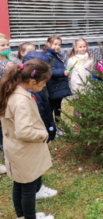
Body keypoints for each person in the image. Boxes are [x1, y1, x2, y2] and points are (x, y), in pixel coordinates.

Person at [0, 59, 55, 219]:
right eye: (43, 83)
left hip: (15, 149)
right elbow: (24, 131)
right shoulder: (21, 100)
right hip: (24, 151)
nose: (44, 86)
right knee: (29, 188)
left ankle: (21, 216)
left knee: (20, 184)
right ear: (32, 81)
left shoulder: (11, 90)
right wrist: (42, 134)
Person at [23, 51, 58, 200]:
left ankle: (37, 187)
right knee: (35, 164)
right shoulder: (31, 94)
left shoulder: (36, 89)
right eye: (43, 81)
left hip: (40, 133)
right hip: (37, 135)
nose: (45, 84)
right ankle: (37, 190)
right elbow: (40, 115)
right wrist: (47, 132)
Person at [0, 33, 21, 175]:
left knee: (8, 123)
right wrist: (4, 70)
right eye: (2, 45)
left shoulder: (12, 58)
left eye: (7, 44)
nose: (6, 47)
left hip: (10, 96)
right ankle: (3, 151)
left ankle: (9, 149)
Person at [43, 35, 72, 122]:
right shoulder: (48, 56)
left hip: (58, 86)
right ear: (48, 44)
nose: (57, 47)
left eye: (59, 45)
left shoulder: (56, 55)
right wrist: (63, 73)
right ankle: (50, 125)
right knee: (51, 107)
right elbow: (49, 71)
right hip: (52, 86)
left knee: (58, 106)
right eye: (55, 44)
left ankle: (58, 123)